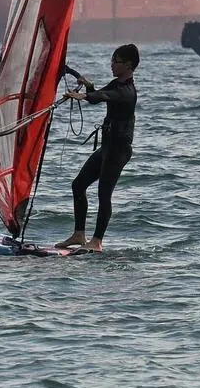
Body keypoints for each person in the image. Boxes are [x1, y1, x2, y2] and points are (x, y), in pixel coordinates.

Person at [55, 44, 139, 253]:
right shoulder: (116, 84)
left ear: (128, 65)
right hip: (107, 148)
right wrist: (89, 86)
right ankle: (79, 234)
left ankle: (97, 241)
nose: (111, 65)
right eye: (112, 60)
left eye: (115, 61)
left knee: (104, 194)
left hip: (118, 151)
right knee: (78, 185)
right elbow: (102, 94)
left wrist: (85, 96)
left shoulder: (127, 91)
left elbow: (106, 97)